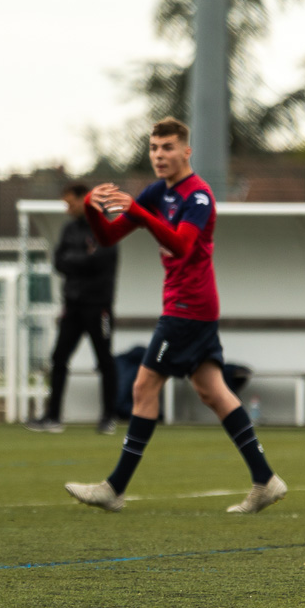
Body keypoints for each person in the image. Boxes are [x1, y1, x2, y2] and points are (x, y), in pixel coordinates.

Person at [63, 117, 287, 514]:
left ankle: (114, 488)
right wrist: (94, 210)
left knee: (143, 388)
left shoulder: (198, 196)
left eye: (167, 148)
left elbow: (182, 245)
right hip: (188, 307)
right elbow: (108, 236)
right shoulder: (156, 193)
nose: (159, 155)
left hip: (188, 309)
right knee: (213, 393)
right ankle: (265, 480)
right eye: (153, 148)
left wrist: (138, 210)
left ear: (187, 151)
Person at [24, 182, 120, 435]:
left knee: (104, 360)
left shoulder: (106, 229)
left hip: (99, 306)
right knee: (59, 358)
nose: (67, 208)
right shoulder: (69, 229)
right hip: (72, 306)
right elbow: (59, 262)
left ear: (84, 200)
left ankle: (108, 417)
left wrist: (77, 261)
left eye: (70, 203)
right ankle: (53, 417)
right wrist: (83, 260)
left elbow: (98, 261)